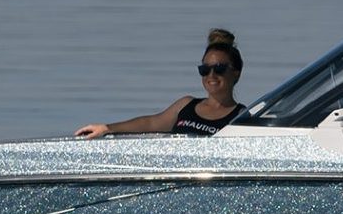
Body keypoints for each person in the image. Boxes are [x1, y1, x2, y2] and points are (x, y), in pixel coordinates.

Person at [74, 28, 246, 138]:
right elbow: (150, 123)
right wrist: (106, 128)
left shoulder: (243, 116)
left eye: (219, 68)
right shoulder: (186, 104)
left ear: (236, 73)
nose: (211, 75)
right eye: (205, 69)